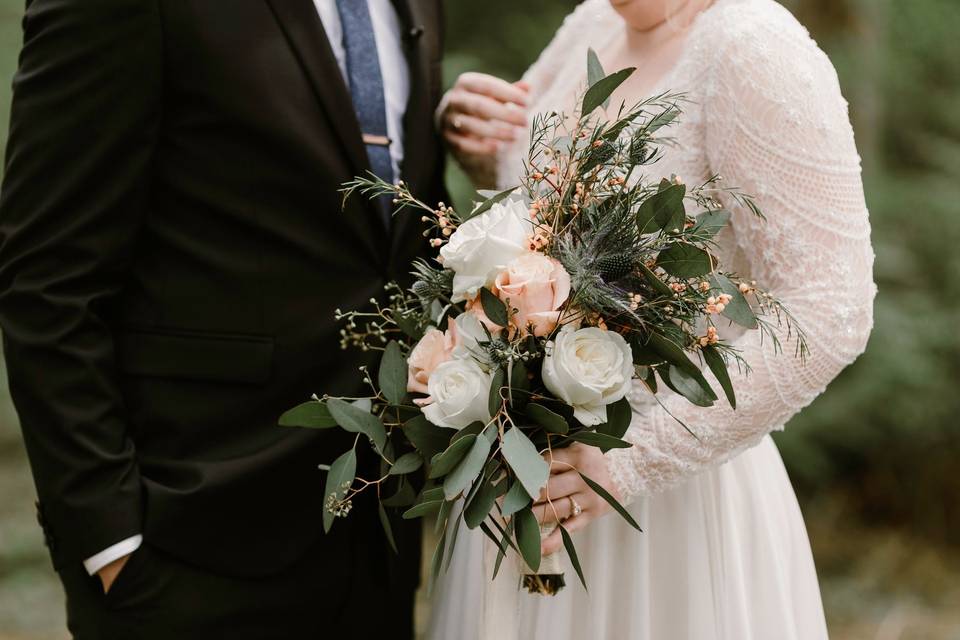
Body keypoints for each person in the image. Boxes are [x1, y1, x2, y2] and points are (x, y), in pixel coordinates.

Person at [0, 0, 445, 637]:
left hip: (377, 543)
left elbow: (392, 242)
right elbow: (47, 283)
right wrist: (108, 540)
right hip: (188, 544)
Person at [431, 0, 875, 638]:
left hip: (668, 511)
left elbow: (831, 308)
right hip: (525, 472)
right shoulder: (593, 22)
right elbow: (542, 213)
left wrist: (630, 461)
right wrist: (480, 147)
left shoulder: (752, 45)